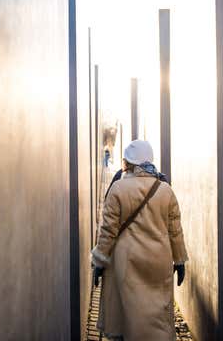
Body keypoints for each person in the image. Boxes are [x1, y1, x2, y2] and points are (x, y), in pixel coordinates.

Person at [91, 140, 188, 341]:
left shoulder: (118, 189)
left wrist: (99, 262)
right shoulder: (165, 190)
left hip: (127, 262)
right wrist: (179, 260)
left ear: (127, 162)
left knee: (129, 313)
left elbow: (108, 231)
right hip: (159, 261)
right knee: (157, 314)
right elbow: (175, 230)